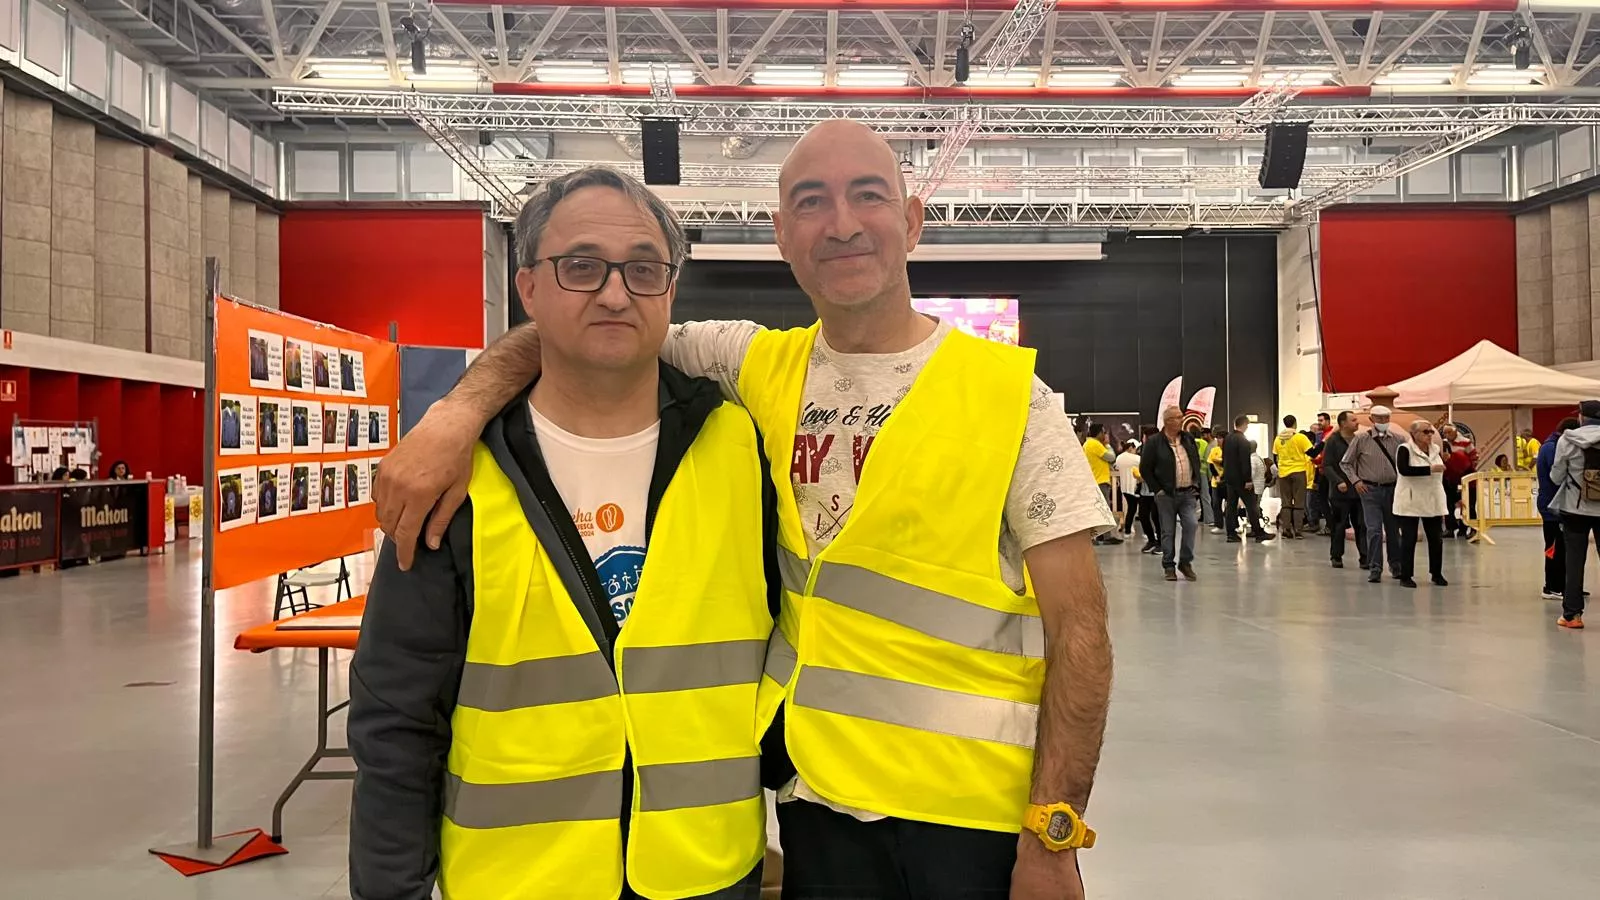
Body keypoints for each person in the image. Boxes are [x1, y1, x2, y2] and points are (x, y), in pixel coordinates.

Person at [374, 120, 1115, 899]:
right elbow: (581, 327)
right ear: (782, 235)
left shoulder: (1010, 398)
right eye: (811, 202)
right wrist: (455, 415)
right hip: (817, 807)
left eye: (869, 196)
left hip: (971, 824)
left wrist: (1054, 828)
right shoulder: (757, 367)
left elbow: (1083, 631)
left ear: (914, 220)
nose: (843, 224)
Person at [347, 167, 784, 900]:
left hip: (704, 872)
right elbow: (396, 717)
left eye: (643, 269)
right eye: (581, 266)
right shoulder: (461, 475)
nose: (616, 292)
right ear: (528, 289)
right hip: (517, 880)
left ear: (670, 290)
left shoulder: (740, 444)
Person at [1548, 399, 1600, 629]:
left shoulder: (1568, 440)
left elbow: (1556, 476)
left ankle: (1572, 615)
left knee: (1574, 560)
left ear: (1581, 417)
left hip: (1575, 508)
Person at [1341, 405, 1406, 584]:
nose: (1383, 422)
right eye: (1379, 418)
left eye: (1386, 418)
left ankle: (1396, 566)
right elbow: (1345, 463)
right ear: (1371, 420)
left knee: (1393, 531)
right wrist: (1356, 481)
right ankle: (1375, 567)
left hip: (1393, 489)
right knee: (1374, 530)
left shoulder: (1399, 440)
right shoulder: (1361, 439)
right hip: (1370, 490)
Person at [1141, 405, 1203, 581]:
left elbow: (1195, 461)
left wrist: (1196, 482)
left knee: (1191, 525)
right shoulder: (1154, 442)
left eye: (1181, 416)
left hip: (1188, 493)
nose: (1182, 419)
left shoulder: (1188, 439)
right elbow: (1145, 469)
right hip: (1166, 495)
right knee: (1168, 531)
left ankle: (1185, 562)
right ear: (1168, 421)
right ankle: (1169, 565)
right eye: (1178, 417)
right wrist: (1157, 489)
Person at [1393, 421, 1449, 588]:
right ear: (1415, 434)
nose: (1430, 435)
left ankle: (1436, 573)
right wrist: (1430, 469)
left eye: (1431, 431)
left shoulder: (1436, 450)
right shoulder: (1405, 449)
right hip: (1411, 499)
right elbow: (1404, 470)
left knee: (1436, 538)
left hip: (1432, 498)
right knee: (1409, 539)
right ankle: (1406, 575)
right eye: (1426, 432)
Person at [1538, 418, 1580, 601]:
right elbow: (1557, 475)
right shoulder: (1552, 448)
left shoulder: (1554, 445)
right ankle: (1552, 586)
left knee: (1565, 548)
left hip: (1558, 504)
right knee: (1554, 548)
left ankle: (1565, 585)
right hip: (1552, 506)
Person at [1321, 412, 1368, 570]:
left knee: (1361, 525)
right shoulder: (1333, 441)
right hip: (1340, 492)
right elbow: (1326, 465)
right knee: (1339, 525)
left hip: (1359, 490)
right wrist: (1338, 481)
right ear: (1343, 423)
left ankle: (1365, 557)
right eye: (1353, 420)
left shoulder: (1360, 440)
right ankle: (1336, 556)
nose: (1357, 422)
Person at [1221, 415, 1268, 543]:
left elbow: (1224, 458)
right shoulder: (1243, 441)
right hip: (1241, 479)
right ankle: (1258, 532)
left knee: (1231, 506)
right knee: (1251, 505)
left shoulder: (1228, 439)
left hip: (1230, 478)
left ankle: (1230, 534)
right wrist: (1248, 479)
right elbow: (1244, 461)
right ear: (1245, 425)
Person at [1272, 415, 1313, 539]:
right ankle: (1298, 531)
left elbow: (1275, 456)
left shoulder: (1278, 439)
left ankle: (1286, 530)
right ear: (1295, 423)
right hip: (1299, 472)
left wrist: (1281, 467)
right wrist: (1323, 443)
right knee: (1299, 503)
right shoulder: (1300, 437)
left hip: (1283, 473)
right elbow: (1312, 453)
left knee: (1286, 503)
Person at [1083, 423, 1123, 545]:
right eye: (1104, 432)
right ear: (1099, 433)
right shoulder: (1095, 444)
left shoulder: (1088, 444)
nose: (1105, 435)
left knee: (1099, 510)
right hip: (1099, 481)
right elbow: (1111, 457)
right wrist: (1107, 444)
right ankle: (1105, 536)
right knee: (1103, 510)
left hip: (1096, 480)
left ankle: (1101, 535)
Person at [1115, 438, 1147, 545]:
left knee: (1131, 510)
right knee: (1143, 511)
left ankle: (1127, 531)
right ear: (1131, 447)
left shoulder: (1119, 458)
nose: (1137, 451)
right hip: (1135, 487)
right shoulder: (1137, 459)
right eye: (1136, 448)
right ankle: (1146, 533)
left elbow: (1116, 467)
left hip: (1124, 488)